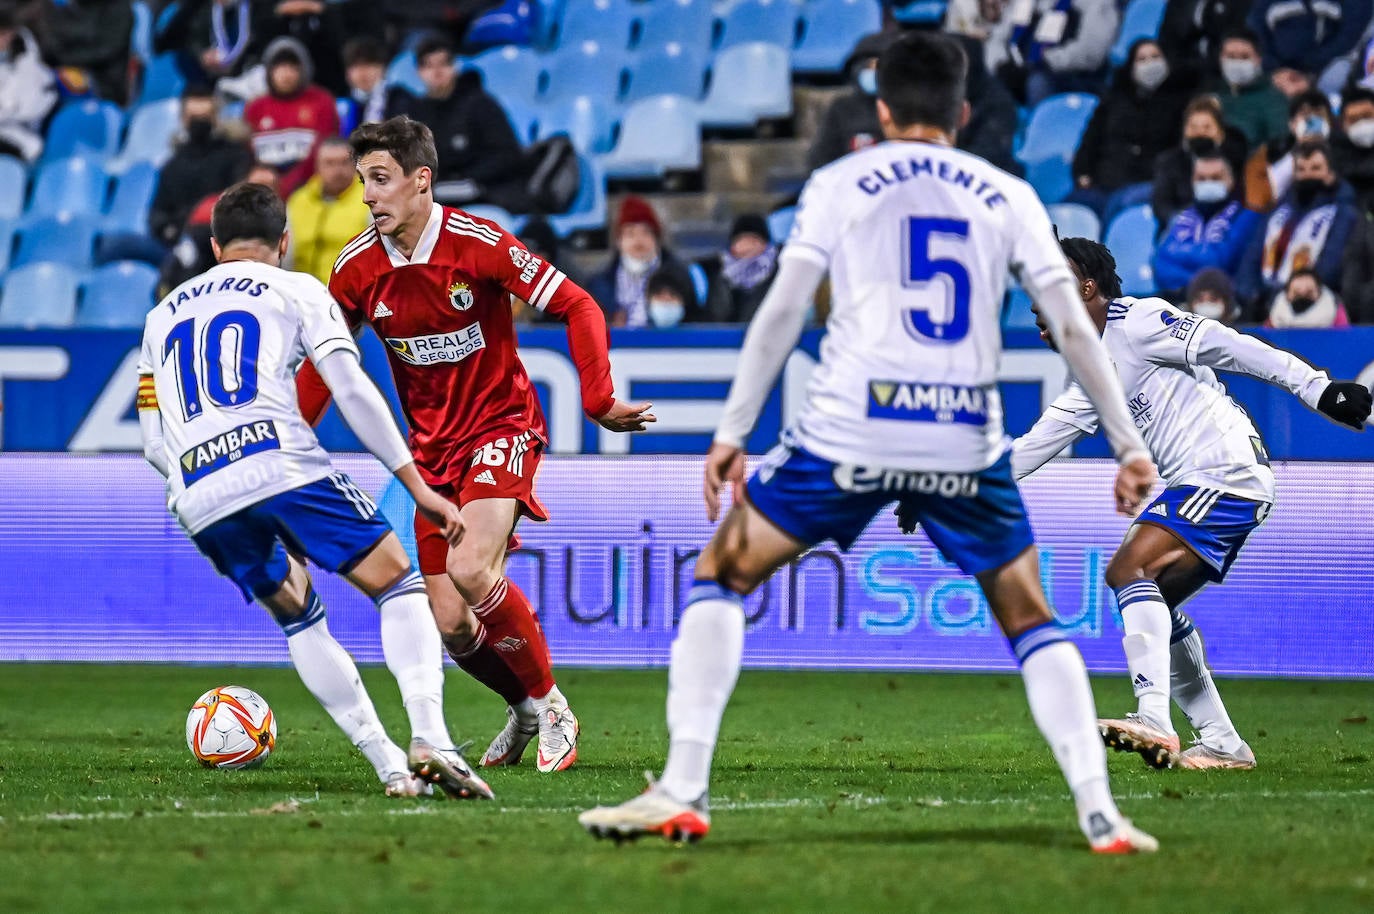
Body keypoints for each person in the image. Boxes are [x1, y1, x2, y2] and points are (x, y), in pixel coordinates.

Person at [579, 31, 1162, 853]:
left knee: (722, 570)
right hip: (963, 438)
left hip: (853, 428)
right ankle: (1100, 813)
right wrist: (1129, 443)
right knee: (1029, 614)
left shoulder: (840, 181)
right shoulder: (1008, 193)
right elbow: (1071, 322)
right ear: (962, 112)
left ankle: (682, 787)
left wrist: (732, 431)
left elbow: (784, 307)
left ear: (880, 108)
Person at [295, 116, 655, 773]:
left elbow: (578, 303)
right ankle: (521, 708)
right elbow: (325, 365)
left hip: (502, 427)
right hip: (432, 455)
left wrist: (598, 397)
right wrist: (287, 446)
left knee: (470, 571)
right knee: (452, 622)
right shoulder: (355, 270)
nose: (368, 195)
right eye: (362, 183)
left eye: (380, 180)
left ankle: (553, 707)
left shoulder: (478, 243)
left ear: (421, 181)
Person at [137, 181, 495, 801]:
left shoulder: (159, 315)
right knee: (398, 582)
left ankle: (388, 765)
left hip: (198, 488)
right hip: (281, 462)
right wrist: (417, 484)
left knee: (299, 617)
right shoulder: (300, 288)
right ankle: (430, 737)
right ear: (284, 240)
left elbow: (151, 442)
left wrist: (204, 485)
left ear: (215, 245)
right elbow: (350, 389)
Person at [1015, 237, 1371, 769]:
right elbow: (1032, 446)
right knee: (1152, 594)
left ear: (1085, 287)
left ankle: (1153, 720)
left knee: (1127, 569)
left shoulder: (1139, 320)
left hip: (1225, 471)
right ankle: (1223, 742)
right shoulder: (1090, 372)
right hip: (1206, 480)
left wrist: (1317, 388)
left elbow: (1235, 347)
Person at [385, 34, 530, 213]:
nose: (437, 72)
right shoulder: (417, 112)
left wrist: (468, 178)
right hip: (438, 194)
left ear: (455, 66)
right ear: (419, 72)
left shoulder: (481, 104)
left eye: (443, 64)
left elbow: (507, 155)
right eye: (429, 65)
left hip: (486, 192)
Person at [1069, 39, 1191, 224]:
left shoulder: (1180, 103)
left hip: (1148, 183)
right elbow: (1091, 140)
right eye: (1142, 59)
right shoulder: (1114, 100)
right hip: (1105, 181)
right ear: (1131, 67)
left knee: (1122, 204)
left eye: (1155, 57)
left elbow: (1178, 153)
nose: (1150, 64)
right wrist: (1082, 174)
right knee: (1075, 206)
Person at [1236, 139, 1361, 314]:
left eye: (1316, 168)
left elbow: (1331, 264)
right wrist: (1251, 293)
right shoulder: (1278, 210)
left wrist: (1290, 294)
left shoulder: (1343, 213)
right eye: (1301, 169)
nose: (1308, 175)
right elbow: (1253, 254)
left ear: (1331, 172)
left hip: (1310, 301)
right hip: (1262, 301)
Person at [150, 84, 255, 247]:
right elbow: (158, 214)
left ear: (215, 117)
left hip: (221, 240)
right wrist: (169, 230)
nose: (199, 125)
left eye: (205, 118)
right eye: (194, 118)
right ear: (183, 119)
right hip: (178, 242)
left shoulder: (235, 156)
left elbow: (236, 204)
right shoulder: (173, 165)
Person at [1151, 151, 1260, 299]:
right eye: (1201, 178)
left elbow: (1218, 261)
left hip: (1225, 303)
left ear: (1231, 180)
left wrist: (1179, 253)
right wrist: (1199, 281)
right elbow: (1160, 264)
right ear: (1192, 181)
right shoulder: (1180, 216)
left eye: (1216, 178)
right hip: (1178, 300)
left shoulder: (1245, 216)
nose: (1208, 183)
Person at [244, 36, 339, 198]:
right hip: (264, 191)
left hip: (311, 190)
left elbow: (324, 149)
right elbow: (247, 154)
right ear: (269, 72)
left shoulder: (322, 101)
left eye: (292, 68)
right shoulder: (255, 107)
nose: (286, 75)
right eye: (279, 68)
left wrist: (289, 184)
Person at [585, 195, 697, 328]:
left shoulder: (680, 277)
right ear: (619, 241)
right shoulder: (599, 284)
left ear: (657, 239)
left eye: (645, 233)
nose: (638, 241)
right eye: (630, 234)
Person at [984, 0, 1120, 105]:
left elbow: (1091, 51)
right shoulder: (1024, 3)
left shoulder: (1095, 3)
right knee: (981, 76)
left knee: (1038, 83)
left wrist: (1044, 62)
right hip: (1017, 71)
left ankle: (1042, 137)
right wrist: (1000, 64)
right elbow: (997, 39)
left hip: (1068, 78)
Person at [1151, 95, 1250, 230]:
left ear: (1220, 133)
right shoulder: (1169, 161)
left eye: (1207, 127)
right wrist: (1183, 220)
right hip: (1179, 228)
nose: (1200, 133)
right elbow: (1161, 204)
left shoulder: (1235, 160)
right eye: (1193, 127)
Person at [286, 137, 371, 284]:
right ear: (317, 166)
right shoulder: (298, 200)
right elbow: (286, 253)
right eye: (329, 163)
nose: (338, 170)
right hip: (302, 292)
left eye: (344, 162)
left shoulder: (369, 199)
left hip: (350, 293)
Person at [1210, 28, 1289, 151]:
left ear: (1258, 59)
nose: (1236, 62)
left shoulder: (1274, 101)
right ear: (1220, 58)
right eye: (1230, 56)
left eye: (1244, 57)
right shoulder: (1211, 94)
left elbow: (1278, 145)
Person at [0, 4, 56, 163]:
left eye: (5, 33)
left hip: (19, 138)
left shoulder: (29, 63)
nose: (2, 39)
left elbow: (29, 108)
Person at [704, 213, 779, 324]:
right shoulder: (713, 273)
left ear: (765, 244)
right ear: (733, 246)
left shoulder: (779, 271)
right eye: (742, 240)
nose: (748, 246)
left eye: (754, 240)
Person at [1265, 267, 1351, 328]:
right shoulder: (1277, 313)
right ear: (1287, 295)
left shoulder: (1334, 309)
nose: (1302, 296)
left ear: (1319, 293)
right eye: (1296, 293)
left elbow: (1344, 339)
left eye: (1309, 292)